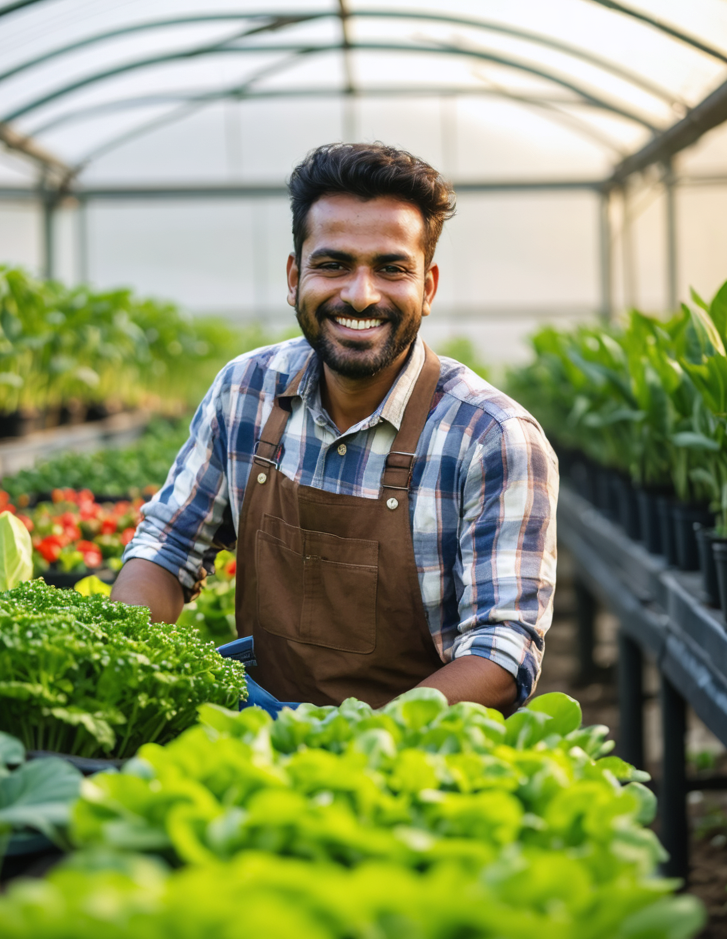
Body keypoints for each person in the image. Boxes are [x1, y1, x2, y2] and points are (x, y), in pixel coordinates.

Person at [112, 142, 558, 713]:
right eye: (334, 264)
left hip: (416, 760)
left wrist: (361, 742)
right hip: (251, 742)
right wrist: (124, 650)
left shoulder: (492, 438)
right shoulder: (246, 390)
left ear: (427, 287)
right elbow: (168, 547)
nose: (360, 294)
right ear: (295, 276)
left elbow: (502, 649)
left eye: (391, 268)